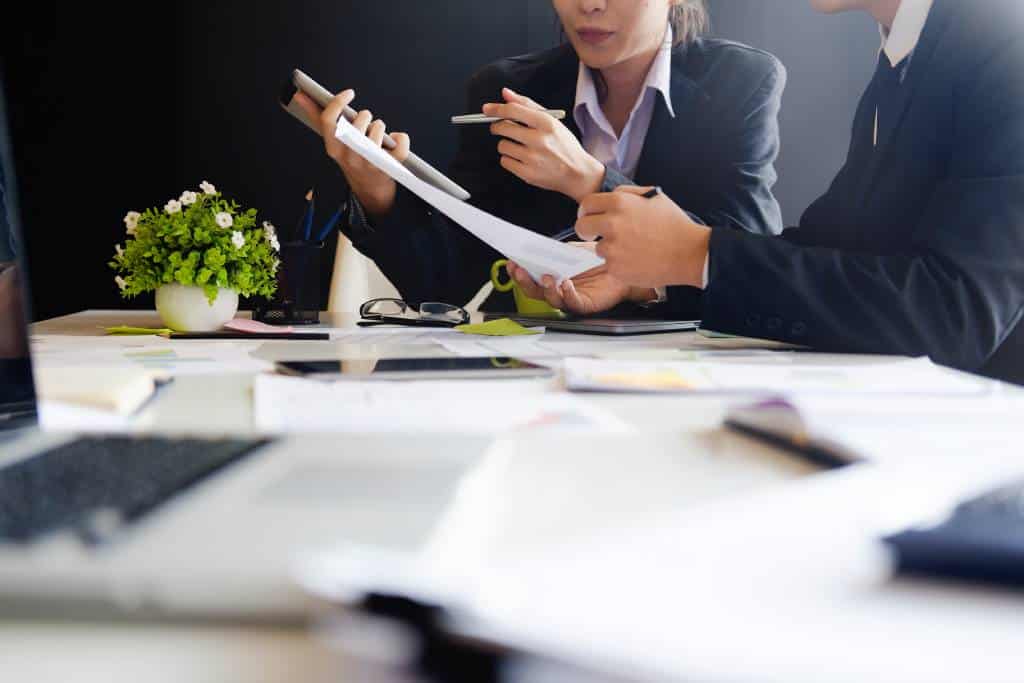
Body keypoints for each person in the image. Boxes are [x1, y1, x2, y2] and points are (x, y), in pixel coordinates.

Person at [513, 0, 1024, 383]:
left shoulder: (1003, 37)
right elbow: (835, 246)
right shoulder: (907, 55)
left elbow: (958, 314)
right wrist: (652, 276)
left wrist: (695, 253)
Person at [296, 0, 786, 313]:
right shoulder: (508, 89)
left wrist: (588, 179)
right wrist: (379, 193)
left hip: (693, 371)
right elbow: (445, 285)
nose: (589, 6)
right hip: (536, 372)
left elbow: (748, 254)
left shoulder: (740, 81)